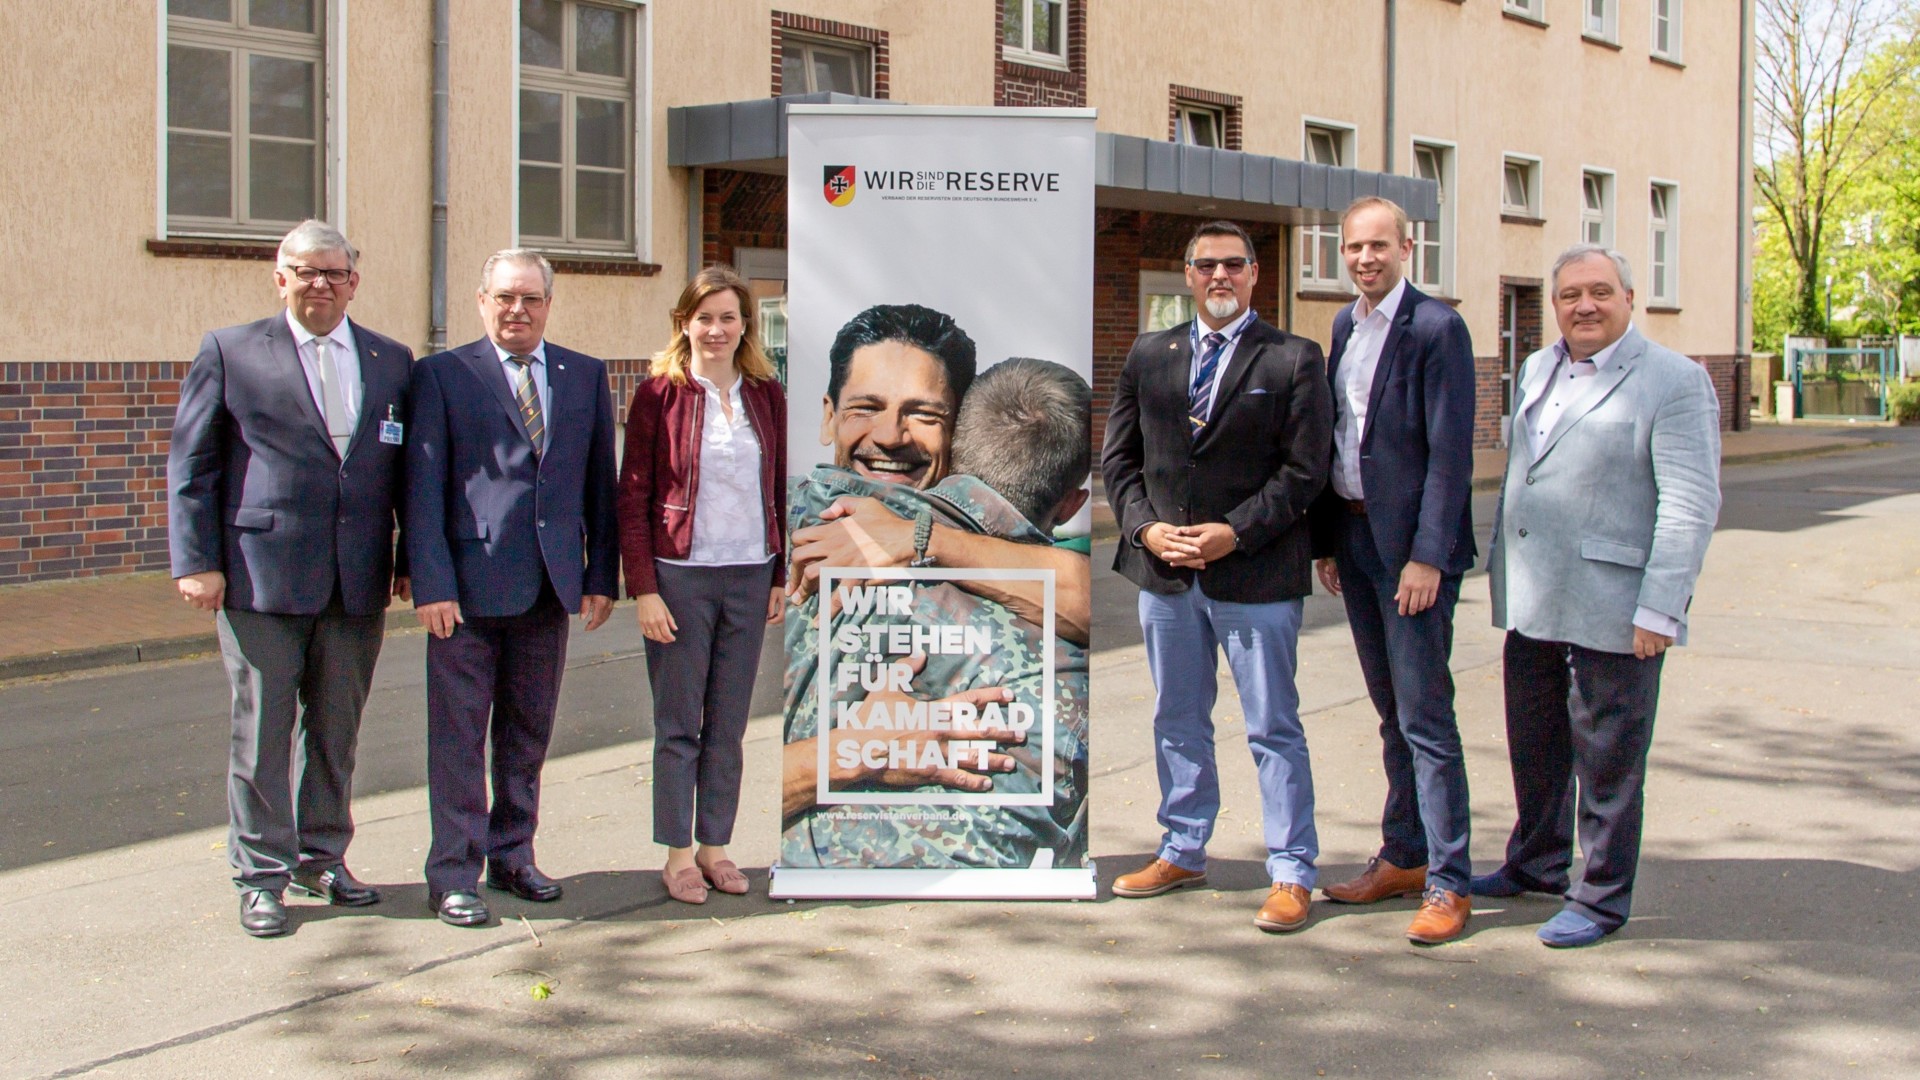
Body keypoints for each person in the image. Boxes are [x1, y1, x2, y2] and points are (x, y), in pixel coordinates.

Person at [167, 220, 413, 938]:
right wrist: (197, 562)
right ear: (280, 278)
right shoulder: (232, 351)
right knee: (263, 733)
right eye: (304, 271)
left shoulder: (390, 359)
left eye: (332, 273)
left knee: (336, 731)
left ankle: (323, 856)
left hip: (357, 580)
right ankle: (261, 875)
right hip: (259, 579)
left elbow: (407, 476)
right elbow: (193, 466)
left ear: (353, 282)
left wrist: (408, 564)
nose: (319, 283)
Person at [1475, 244, 1721, 948]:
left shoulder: (1674, 381)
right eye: (1570, 295)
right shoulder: (1535, 368)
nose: (1584, 306)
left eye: (1600, 293)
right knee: (1538, 746)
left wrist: (1661, 608)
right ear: (1553, 305)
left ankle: (1601, 896)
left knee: (1608, 761)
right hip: (1534, 598)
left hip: (1618, 606)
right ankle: (1537, 863)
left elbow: (1689, 503)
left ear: (1629, 300)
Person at [1100, 220, 1333, 933]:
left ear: (1256, 274)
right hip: (1166, 577)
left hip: (1255, 575)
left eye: (1234, 264)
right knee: (1177, 717)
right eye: (1207, 266)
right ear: (1189, 275)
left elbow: (1305, 471)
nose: (1221, 276)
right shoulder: (1150, 352)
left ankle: (1291, 870)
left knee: (1272, 725)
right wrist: (1143, 528)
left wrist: (1238, 531)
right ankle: (1183, 846)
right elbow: (1119, 461)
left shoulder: (1294, 358)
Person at [781, 358, 1092, 870]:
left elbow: (712, 784)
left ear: (954, 447)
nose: (889, 436)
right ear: (1071, 504)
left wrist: (924, 539)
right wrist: (854, 752)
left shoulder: (800, 526)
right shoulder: (1062, 673)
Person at [406, 249, 619, 927]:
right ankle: (453, 873)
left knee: (527, 734)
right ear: (481, 301)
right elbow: (423, 488)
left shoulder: (583, 376)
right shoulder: (441, 375)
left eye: (530, 298)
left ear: (548, 305)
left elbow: (598, 486)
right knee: (460, 739)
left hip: (548, 589)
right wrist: (430, 583)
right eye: (504, 297)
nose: (517, 310)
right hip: (464, 595)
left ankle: (514, 854)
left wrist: (598, 577)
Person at [1306, 197, 1478, 945]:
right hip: (1355, 541)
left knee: (1426, 718)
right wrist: (1324, 542)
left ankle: (1449, 881)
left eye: (1379, 246)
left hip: (1413, 558)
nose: (1366, 258)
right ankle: (1404, 855)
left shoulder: (1438, 329)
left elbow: (1451, 456)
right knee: (1389, 713)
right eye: (1353, 248)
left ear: (1409, 247)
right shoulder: (1344, 325)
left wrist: (1428, 557)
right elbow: (1341, 439)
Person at [616, 266, 786, 905]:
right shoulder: (660, 393)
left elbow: (778, 489)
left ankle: (716, 846)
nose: (716, 330)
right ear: (684, 322)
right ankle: (678, 854)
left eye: (729, 317)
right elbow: (631, 495)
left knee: (728, 725)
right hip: (680, 579)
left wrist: (777, 572)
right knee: (679, 724)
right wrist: (645, 588)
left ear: (746, 325)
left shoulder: (766, 394)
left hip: (748, 575)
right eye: (704, 317)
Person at [787, 304, 1091, 648]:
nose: (890, 436)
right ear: (829, 417)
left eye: (923, 413)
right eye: (867, 408)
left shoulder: (1012, 541)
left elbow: (1084, 598)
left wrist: (923, 539)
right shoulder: (778, 514)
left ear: (958, 428)